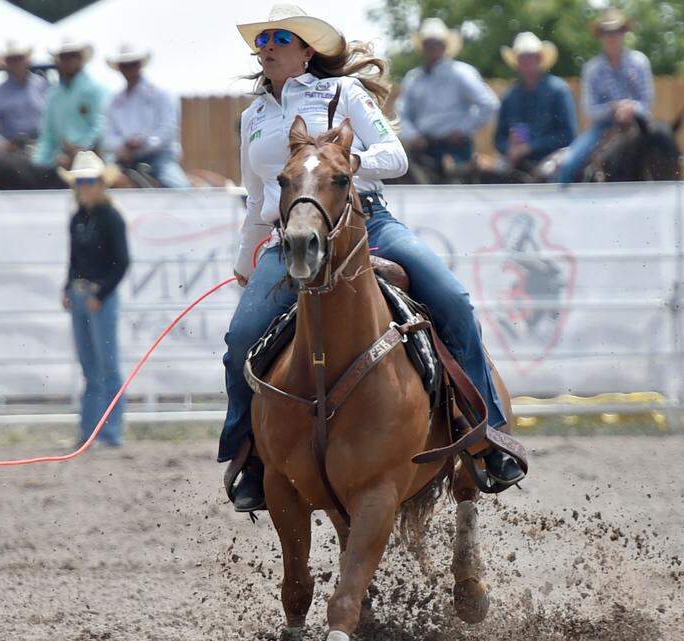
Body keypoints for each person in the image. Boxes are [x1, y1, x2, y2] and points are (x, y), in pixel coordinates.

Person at [226, 4, 524, 512]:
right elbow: (257, 201)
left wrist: (345, 163)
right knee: (240, 340)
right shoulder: (253, 117)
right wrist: (245, 260)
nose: (268, 46)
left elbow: (396, 156)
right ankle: (250, 456)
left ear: (307, 51)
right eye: (263, 39)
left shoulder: (344, 93)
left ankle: (486, 433)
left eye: (280, 37)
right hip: (291, 237)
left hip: (368, 224)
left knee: (451, 298)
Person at [60, 151, 129, 448]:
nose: (85, 187)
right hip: (80, 295)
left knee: (107, 366)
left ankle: (109, 433)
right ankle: (89, 433)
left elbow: (122, 262)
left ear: (101, 183)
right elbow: (74, 260)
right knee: (90, 366)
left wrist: (100, 293)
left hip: (100, 297)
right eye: (81, 182)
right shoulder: (77, 218)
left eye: (90, 181)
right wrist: (67, 287)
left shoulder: (112, 218)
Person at [557, 9, 654, 184]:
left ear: (623, 33)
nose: (612, 37)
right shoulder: (592, 69)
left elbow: (647, 101)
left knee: (666, 153)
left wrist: (630, 108)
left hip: (640, 126)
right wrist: (613, 108)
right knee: (568, 164)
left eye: (616, 31)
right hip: (603, 129)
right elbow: (589, 110)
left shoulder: (639, 62)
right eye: (607, 32)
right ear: (601, 36)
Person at [395, 18, 498, 171]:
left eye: (436, 43)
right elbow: (401, 113)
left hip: (455, 148)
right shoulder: (413, 78)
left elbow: (488, 104)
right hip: (423, 147)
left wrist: (463, 129)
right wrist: (412, 136)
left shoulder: (461, 73)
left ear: (445, 46)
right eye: (428, 43)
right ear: (422, 46)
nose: (432, 47)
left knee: (456, 188)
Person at [103, 43, 190, 188]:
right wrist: (123, 147)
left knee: (179, 188)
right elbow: (108, 135)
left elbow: (167, 130)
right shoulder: (114, 101)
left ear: (139, 65)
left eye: (132, 64)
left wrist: (143, 143)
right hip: (124, 159)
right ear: (119, 68)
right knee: (98, 185)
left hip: (159, 158)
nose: (129, 69)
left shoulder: (160, 94)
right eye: (125, 65)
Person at [495, 33, 576, 173]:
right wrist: (509, 148)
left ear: (539, 59)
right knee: (496, 173)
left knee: (547, 173)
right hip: (515, 160)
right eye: (522, 57)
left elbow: (568, 135)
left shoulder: (558, 90)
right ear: (517, 62)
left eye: (530, 57)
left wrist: (531, 147)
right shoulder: (510, 96)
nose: (526, 62)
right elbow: (498, 138)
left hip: (551, 157)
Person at [33, 39, 108, 169]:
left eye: (73, 56)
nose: (69, 61)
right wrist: (38, 163)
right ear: (59, 61)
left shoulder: (96, 90)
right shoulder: (53, 95)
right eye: (64, 57)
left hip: (91, 158)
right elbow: (47, 134)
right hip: (59, 159)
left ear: (81, 59)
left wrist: (81, 149)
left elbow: (100, 125)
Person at [0, 41, 47, 147]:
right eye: (11, 60)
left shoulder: (40, 84)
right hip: (11, 148)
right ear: (5, 63)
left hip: (41, 143)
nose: (16, 63)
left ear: (27, 61)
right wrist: (4, 144)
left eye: (19, 58)